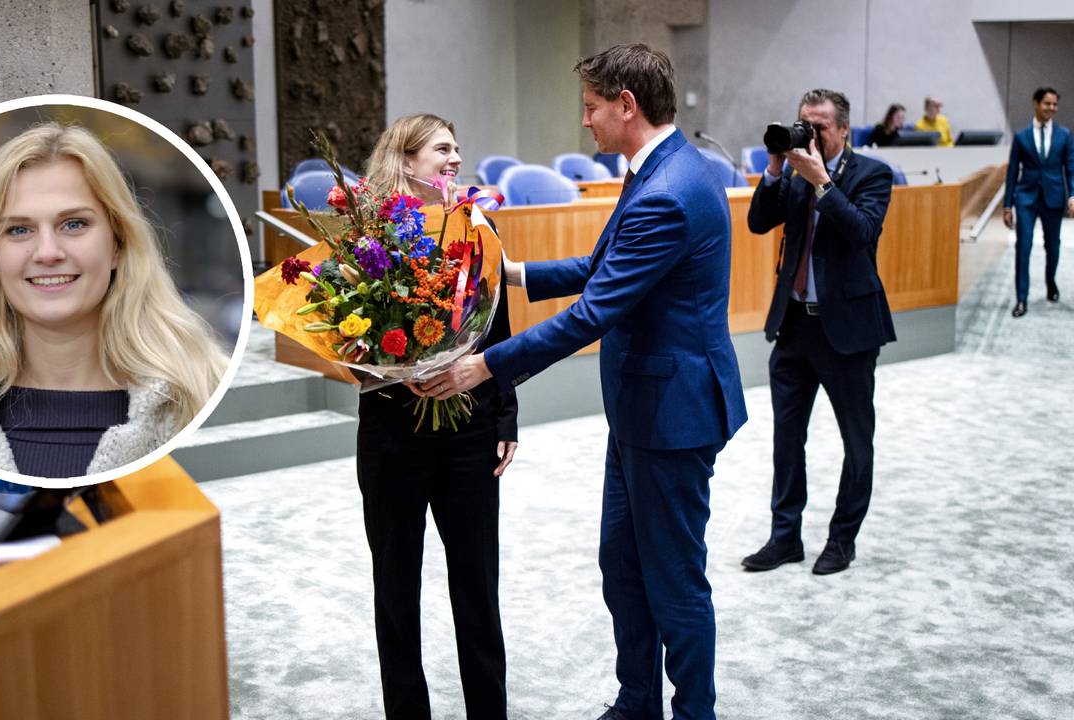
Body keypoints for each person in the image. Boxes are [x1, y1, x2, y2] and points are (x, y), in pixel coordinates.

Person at [419, 45, 746, 720]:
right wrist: (509, 273)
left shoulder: (667, 191)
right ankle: (637, 701)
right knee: (623, 569)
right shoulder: (662, 167)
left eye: (593, 108)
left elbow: (596, 311)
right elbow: (603, 265)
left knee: (675, 580)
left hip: (672, 413)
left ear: (627, 105)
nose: (586, 122)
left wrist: (484, 365)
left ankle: (695, 713)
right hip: (640, 408)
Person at [0, 122, 228, 478]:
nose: (47, 253)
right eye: (19, 230)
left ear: (117, 244)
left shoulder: (204, 388)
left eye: (74, 225)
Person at [355, 113, 519, 720]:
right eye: (441, 149)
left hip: (470, 429)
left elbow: (498, 329)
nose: (454, 158)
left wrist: (505, 416)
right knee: (396, 591)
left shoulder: (479, 227)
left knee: (477, 586)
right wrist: (395, 370)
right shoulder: (367, 235)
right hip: (392, 431)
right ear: (405, 160)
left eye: (457, 147)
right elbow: (347, 333)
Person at [742, 89, 896, 576]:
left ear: (844, 130)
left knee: (857, 441)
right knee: (787, 438)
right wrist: (773, 167)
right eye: (803, 124)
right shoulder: (791, 174)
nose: (810, 134)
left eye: (821, 126)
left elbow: (862, 232)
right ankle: (784, 536)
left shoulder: (872, 174)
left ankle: (842, 539)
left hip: (847, 331)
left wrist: (823, 183)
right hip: (793, 327)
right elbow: (757, 222)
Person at [1003, 86, 1074, 317]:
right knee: (1023, 247)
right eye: (1047, 103)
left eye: (1055, 104)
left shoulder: (1064, 135)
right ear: (1035, 103)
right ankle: (1021, 299)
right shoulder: (1021, 137)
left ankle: (1050, 281)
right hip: (1026, 198)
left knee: (1053, 246)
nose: (1051, 108)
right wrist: (1007, 205)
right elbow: (1012, 172)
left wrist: (1072, 194)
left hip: (1053, 198)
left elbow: (1071, 169)